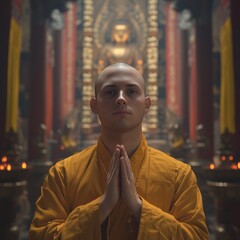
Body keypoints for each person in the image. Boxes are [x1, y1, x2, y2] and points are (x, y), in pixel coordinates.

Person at [29, 63, 209, 239]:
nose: (121, 98)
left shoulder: (179, 176)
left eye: (131, 91)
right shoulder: (63, 175)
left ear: (147, 105)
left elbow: (197, 236)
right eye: (110, 92)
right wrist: (102, 206)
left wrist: (139, 207)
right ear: (94, 105)